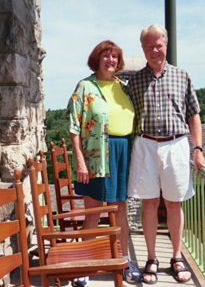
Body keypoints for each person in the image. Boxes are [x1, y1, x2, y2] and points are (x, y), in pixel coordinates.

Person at [127, 24, 205, 284]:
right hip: (145, 145)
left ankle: (176, 257)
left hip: (176, 145)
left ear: (166, 45)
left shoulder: (182, 76)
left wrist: (198, 150)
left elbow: (194, 116)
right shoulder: (135, 81)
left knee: (174, 204)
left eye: (158, 45)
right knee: (148, 203)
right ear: (143, 49)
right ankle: (151, 258)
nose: (154, 50)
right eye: (149, 46)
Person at [66, 40, 141, 286]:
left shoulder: (123, 87)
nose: (111, 61)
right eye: (106, 56)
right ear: (97, 59)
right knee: (94, 210)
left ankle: (124, 260)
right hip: (96, 154)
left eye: (115, 57)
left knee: (120, 209)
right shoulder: (86, 86)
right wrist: (80, 160)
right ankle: (85, 264)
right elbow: (74, 127)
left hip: (122, 152)